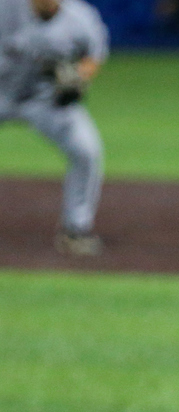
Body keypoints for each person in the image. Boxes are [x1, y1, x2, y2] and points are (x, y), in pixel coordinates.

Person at [0, 0, 106, 256]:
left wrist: (80, 75)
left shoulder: (80, 17)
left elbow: (95, 53)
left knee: (86, 151)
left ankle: (76, 229)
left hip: (45, 99)